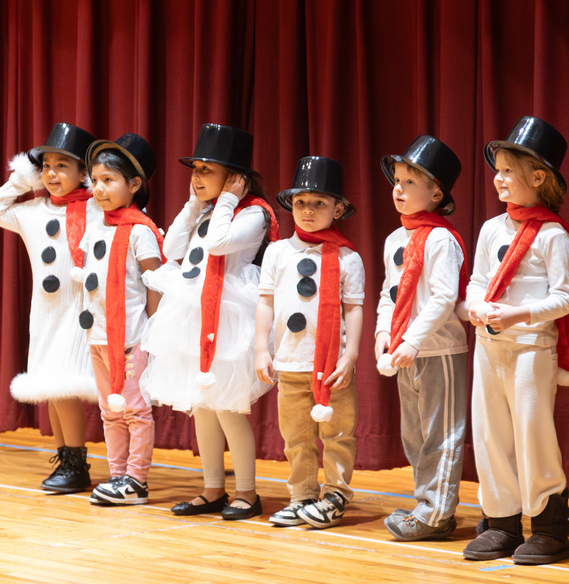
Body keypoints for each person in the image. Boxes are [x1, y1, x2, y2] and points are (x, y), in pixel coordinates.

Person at [141, 123, 279, 521]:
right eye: (194, 169)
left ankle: (248, 493)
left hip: (229, 315)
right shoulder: (206, 210)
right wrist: (192, 205)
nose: (196, 177)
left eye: (206, 170)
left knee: (228, 409)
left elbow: (220, 243)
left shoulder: (253, 212)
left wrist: (227, 200)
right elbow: (171, 249)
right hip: (193, 310)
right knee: (201, 406)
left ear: (234, 177)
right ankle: (212, 488)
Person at [462, 116, 569, 565]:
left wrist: (516, 314)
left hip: (531, 349)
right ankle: (501, 522)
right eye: (499, 170)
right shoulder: (492, 229)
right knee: (491, 434)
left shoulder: (553, 235)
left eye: (509, 170)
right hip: (490, 347)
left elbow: (564, 298)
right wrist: (476, 305)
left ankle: (549, 527)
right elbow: (476, 280)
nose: (499, 178)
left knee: (532, 433)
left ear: (539, 177)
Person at [0, 122, 100, 493]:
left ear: (83, 172)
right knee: (50, 386)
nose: (51, 173)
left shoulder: (97, 209)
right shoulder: (31, 210)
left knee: (64, 385)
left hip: (80, 310)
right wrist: (22, 179)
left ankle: (77, 463)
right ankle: (66, 457)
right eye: (45, 165)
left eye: (62, 165)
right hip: (46, 311)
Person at [255, 156, 365, 529]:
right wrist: (261, 348)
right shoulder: (277, 252)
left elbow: (354, 309)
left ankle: (335, 494)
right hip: (290, 362)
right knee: (296, 437)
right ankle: (301, 495)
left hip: (332, 366)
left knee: (337, 433)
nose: (308, 210)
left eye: (319, 203)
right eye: (301, 202)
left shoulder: (348, 258)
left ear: (338, 208)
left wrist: (350, 355)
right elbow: (266, 303)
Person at [374, 135, 470, 541]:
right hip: (404, 352)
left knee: (442, 433)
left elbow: (445, 296)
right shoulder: (396, 239)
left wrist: (413, 340)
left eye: (410, 182)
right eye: (396, 180)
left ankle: (437, 513)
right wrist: (383, 333)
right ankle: (426, 504)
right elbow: (389, 293)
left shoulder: (441, 239)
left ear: (436, 192)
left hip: (439, 351)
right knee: (413, 434)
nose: (398, 189)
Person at [76, 134, 165, 506]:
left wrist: (155, 331)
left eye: (109, 180)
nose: (99, 188)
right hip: (98, 336)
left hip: (130, 337)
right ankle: (116, 476)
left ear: (134, 184)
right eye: (94, 180)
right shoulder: (96, 226)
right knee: (109, 409)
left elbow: (154, 284)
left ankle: (137, 479)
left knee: (135, 410)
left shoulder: (141, 230)